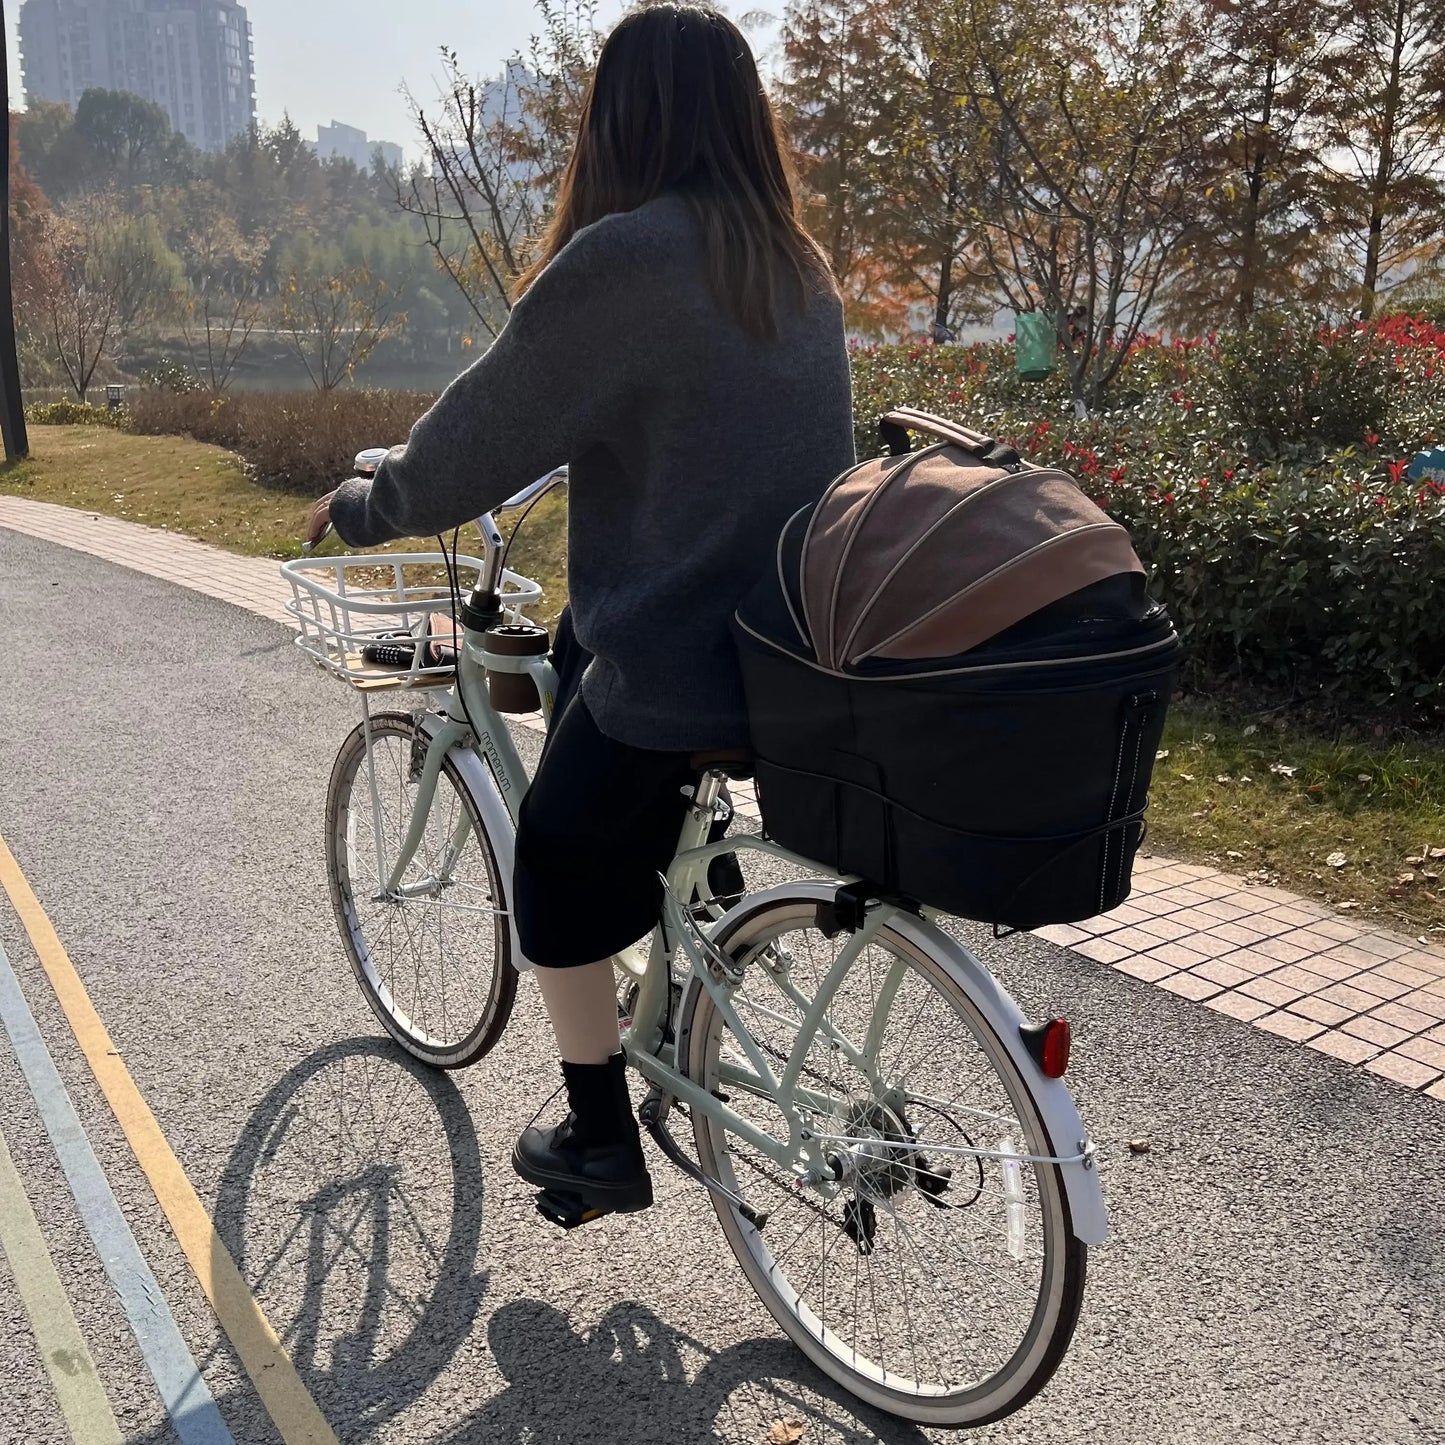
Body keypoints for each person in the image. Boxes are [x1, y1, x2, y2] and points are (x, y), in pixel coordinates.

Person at [307, 5, 854, 1224]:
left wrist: (365, 502)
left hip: (680, 666)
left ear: (621, 117)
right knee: (568, 650)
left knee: (550, 863)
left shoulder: (623, 259)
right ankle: (685, 910)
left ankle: (598, 1131)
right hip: (790, 655)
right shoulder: (791, 264)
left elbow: (474, 442)